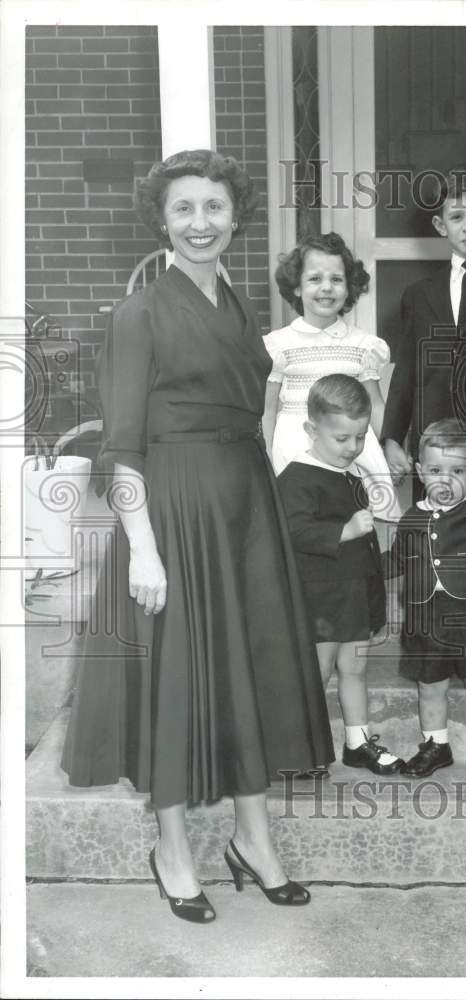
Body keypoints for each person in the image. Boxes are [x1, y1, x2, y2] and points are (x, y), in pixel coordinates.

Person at [61, 150, 334, 923]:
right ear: (162, 220)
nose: (200, 223)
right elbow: (120, 446)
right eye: (184, 209)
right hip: (172, 517)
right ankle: (173, 848)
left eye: (214, 207)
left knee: (247, 668)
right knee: (177, 678)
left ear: (237, 218)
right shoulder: (138, 313)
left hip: (245, 508)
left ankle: (254, 837)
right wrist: (143, 548)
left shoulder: (242, 308)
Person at [276, 375, 404, 776]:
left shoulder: (350, 473)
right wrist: (343, 531)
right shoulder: (295, 477)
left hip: (353, 593)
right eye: (341, 439)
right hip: (321, 598)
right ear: (312, 430)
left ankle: (357, 742)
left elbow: (364, 545)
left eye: (360, 438)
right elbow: (291, 531)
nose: (352, 448)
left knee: (356, 669)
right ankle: (301, 749)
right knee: (317, 672)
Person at [381, 167, 466, 504]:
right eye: (457, 216)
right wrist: (392, 438)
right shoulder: (419, 294)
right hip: (434, 451)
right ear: (441, 226)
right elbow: (406, 374)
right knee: (435, 542)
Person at [386, 419, 466, 781]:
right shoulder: (411, 519)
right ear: (421, 472)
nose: (447, 479)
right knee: (430, 686)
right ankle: (435, 746)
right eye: (437, 470)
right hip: (427, 619)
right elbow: (397, 560)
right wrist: (361, 567)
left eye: (457, 470)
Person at [264, 232, 400, 522]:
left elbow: (374, 404)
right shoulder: (279, 345)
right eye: (314, 279)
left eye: (336, 280)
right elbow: (269, 410)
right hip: (296, 446)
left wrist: (390, 443)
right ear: (297, 288)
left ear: (349, 287)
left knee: (357, 527)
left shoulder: (362, 345)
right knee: (304, 528)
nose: (326, 288)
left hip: (351, 450)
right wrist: (265, 458)